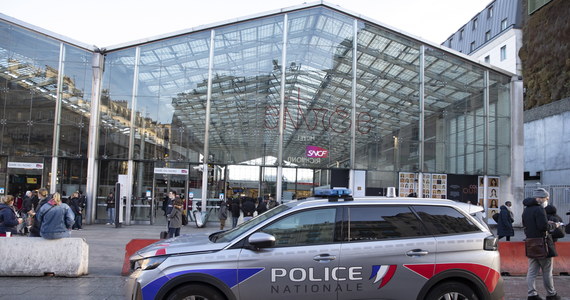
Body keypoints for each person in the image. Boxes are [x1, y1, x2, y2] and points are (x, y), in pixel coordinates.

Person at [522, 188, 562, 300]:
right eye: (546, 198)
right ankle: (551, 294)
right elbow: (543, 227)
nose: (547, 200)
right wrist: (554, 225)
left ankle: (532, 294)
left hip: (530, 243)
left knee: (532, 271)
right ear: (541, 198)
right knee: (547, 271)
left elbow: (527, 224)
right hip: (542, 244)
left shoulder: (526, 209)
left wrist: (545, 222)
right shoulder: (539, 209)